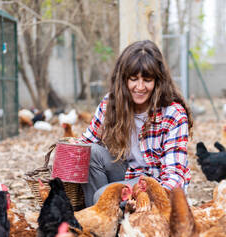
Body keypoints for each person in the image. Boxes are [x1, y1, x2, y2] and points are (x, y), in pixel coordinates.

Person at [78, 40, 193, 207]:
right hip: (126, 174)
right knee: (91, 153)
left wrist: (154, 199)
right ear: (123, 80)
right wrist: (59, 170)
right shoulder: (111, 104)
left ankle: (110, 215)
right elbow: (86, 142)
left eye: (147, 80)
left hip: (157, 185)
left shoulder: (173, 114)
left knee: (102, 197)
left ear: (158, 81)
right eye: (133, 79)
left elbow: (174, 174)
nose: (140, 87)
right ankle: (100, 219)